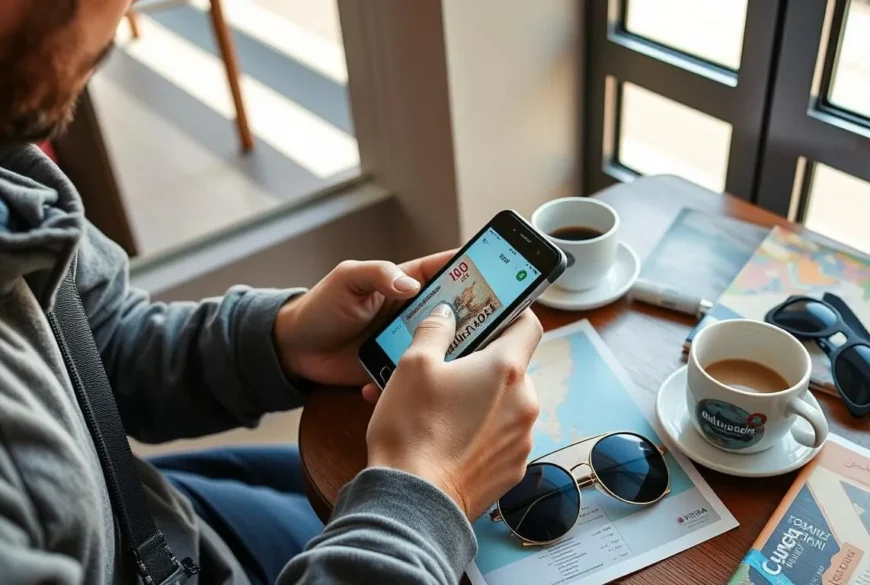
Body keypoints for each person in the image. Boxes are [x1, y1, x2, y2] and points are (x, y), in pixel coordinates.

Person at [0, 1, 542, 584]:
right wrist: (430, 493)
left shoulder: (10, 168)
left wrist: (282, 340)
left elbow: (92, 340)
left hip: (154, 517)